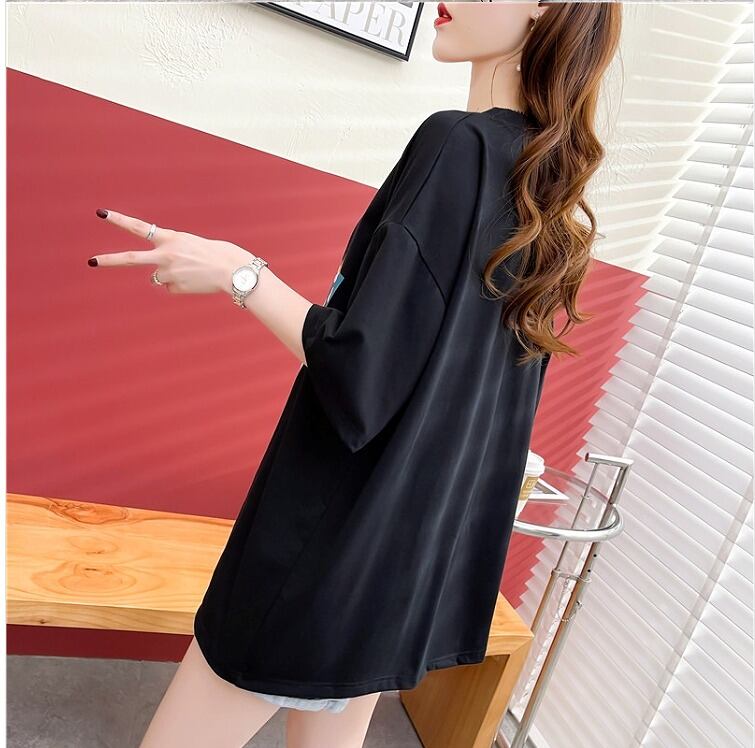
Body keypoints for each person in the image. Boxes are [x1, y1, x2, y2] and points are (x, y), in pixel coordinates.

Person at [87, 2, 622, 746]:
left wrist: (238, 272)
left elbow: (362, 373)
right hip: (402, 567)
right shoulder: (545, 192)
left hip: (325, 550)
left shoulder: (458, 146)